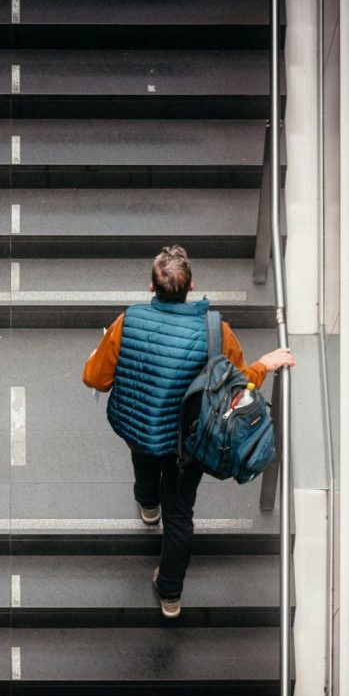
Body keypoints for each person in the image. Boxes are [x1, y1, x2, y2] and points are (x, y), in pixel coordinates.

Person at [82, 245, 295, 619]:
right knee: (179, 517)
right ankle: (170, 595)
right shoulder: (216, 330)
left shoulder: (127, 321)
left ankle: (148, 508)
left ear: (151, 287)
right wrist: (265, 364)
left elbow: (94, 378)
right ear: (191, 286)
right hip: (189, 444)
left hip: (139, 427)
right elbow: (238, 384)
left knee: (144, 465)